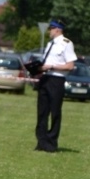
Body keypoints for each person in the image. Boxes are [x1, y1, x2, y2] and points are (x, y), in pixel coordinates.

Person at [35, 19, 76, 153]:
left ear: (57, 29)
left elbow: (70, 65)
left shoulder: (66, 44)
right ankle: (41, 141)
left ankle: (51, 143)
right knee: (42, 111)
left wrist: (52, 66)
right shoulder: (49, 44)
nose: (49, 31)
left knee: (55, 112)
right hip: (45, 77)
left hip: (57, 80)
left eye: (51, 29)